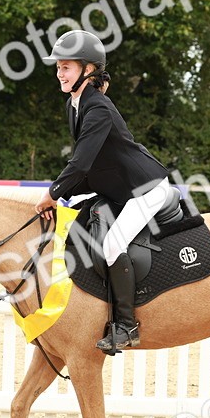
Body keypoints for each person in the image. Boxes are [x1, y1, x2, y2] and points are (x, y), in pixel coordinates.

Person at [35, 30, 172, 353]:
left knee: (112, 244)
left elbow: (81, 164)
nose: (59, 73)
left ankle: (126, 326)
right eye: (58, 68)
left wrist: (53, 193)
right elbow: (91, 168)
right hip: (118, 189)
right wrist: (62, 194)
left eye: (66, 67)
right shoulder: (75, 104)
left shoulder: (98, 108)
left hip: (144, 189)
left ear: (88, 70)